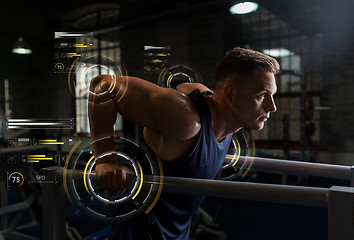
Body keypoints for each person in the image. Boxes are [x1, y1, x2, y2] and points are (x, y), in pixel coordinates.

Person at [88, 47, 279, 239]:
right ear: (230, 95)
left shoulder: (223, 119)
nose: (272, 106)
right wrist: (105, 160)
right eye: (263, 95)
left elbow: (187, 86)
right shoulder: (186, 120)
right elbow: (103, 86)